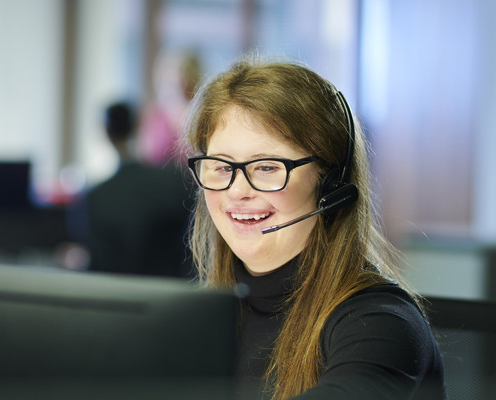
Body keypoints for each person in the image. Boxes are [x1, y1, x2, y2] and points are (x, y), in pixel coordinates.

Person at [182, 57, 447, 399]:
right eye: (220, 166)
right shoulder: (203, 322)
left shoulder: (381, 324)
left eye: (266, 167)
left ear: (329, 184)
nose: (237, 191)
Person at [68, 101, 193, 278]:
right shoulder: (175, 182)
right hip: (171, 294)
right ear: (137, 126)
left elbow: (94, 262)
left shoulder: (95, 199)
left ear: (106, 132)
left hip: (116, 298)